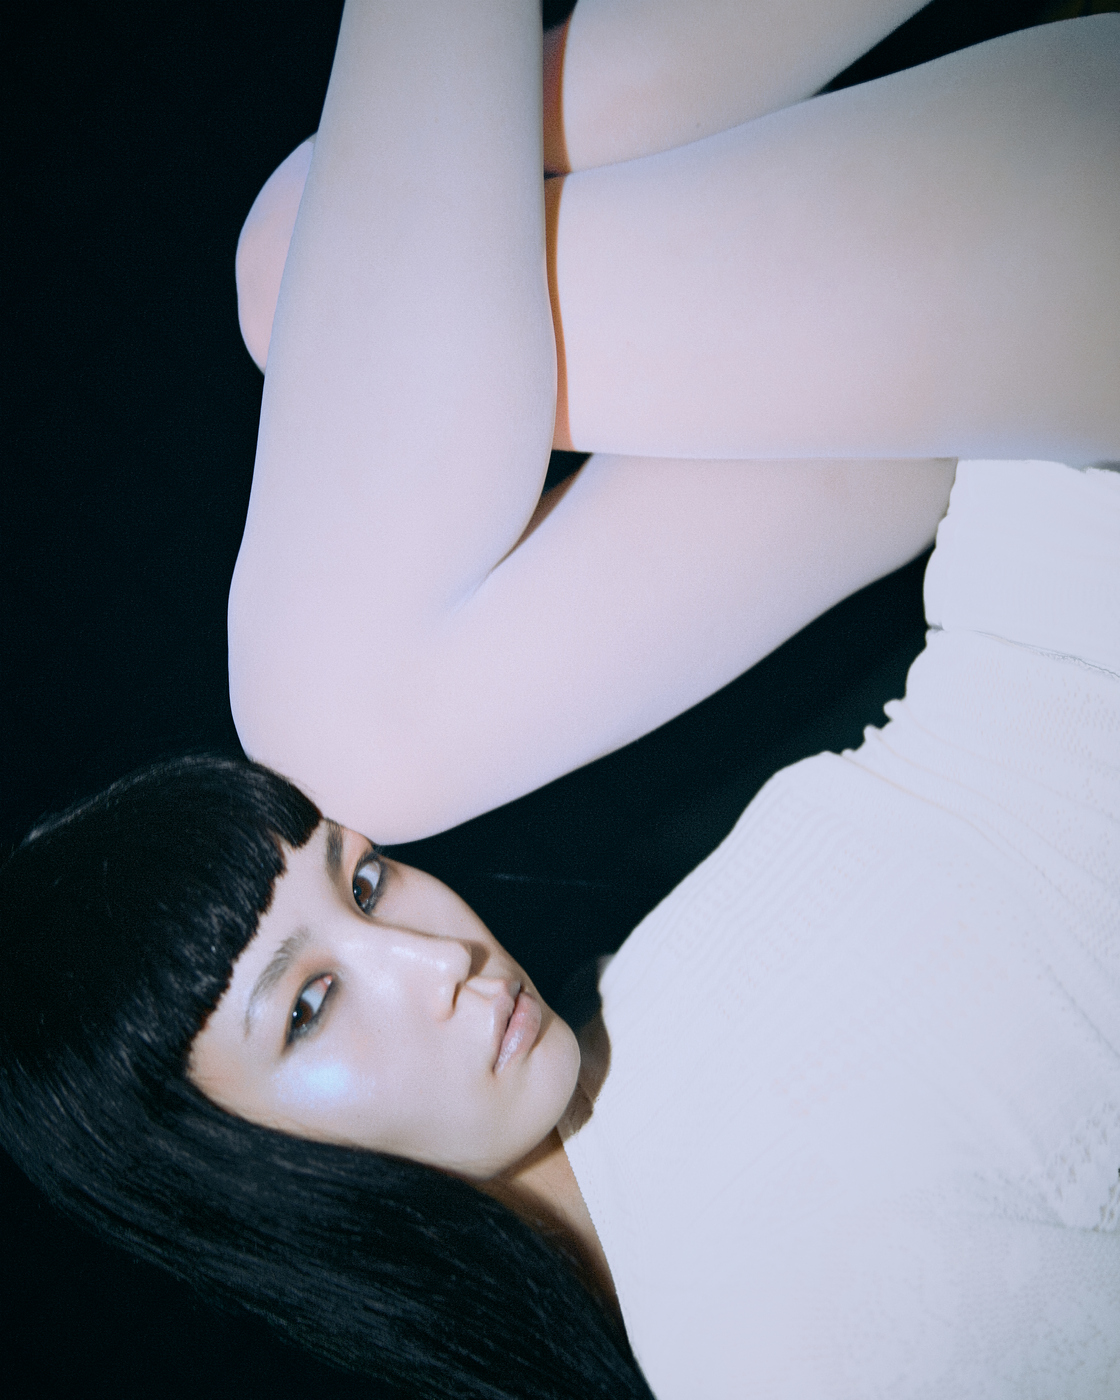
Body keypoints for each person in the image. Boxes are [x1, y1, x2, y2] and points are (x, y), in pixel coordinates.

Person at [2, 4, 1118, 1397]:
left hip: (1034, 493)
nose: (435, 961)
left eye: (365, 882)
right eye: (308, 1009)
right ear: (235, 1178)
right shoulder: (780, 1353)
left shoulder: (616, 1083)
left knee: (302, 263)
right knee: (333, 723)